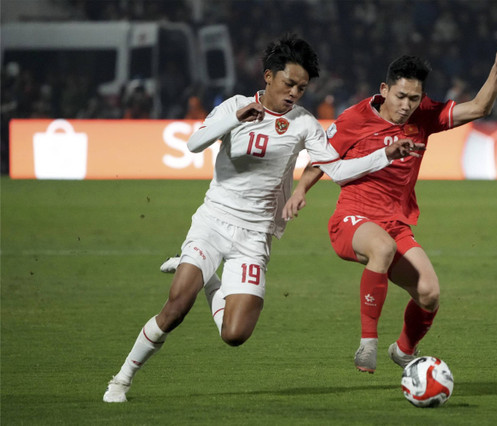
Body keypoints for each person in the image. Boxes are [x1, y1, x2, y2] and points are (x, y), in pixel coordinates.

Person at [103, 34, 422, 403]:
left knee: (234, 334)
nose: (294, 93)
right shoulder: (234, 106)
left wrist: (386, 154)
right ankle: (121, 380)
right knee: (176, 307)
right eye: (289, 84)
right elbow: (193, 143)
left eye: (302, 88)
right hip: (214, 220)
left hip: (255, 234)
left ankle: (212, 282)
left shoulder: (304, 124)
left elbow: (337, 170)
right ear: (268, 76)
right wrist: (234, 119)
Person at [283, 29, 497, 373]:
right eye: (400, 96)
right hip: (352, 220)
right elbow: (323, 161)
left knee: (429, 293)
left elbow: (480, 107)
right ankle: (368, 345)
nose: (406, 105)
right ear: (384, 91)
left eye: (414, 98)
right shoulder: (353, 119)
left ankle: (403, 350)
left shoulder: (423, 115)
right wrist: (300, 191)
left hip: (396, 223)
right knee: (380, 248)